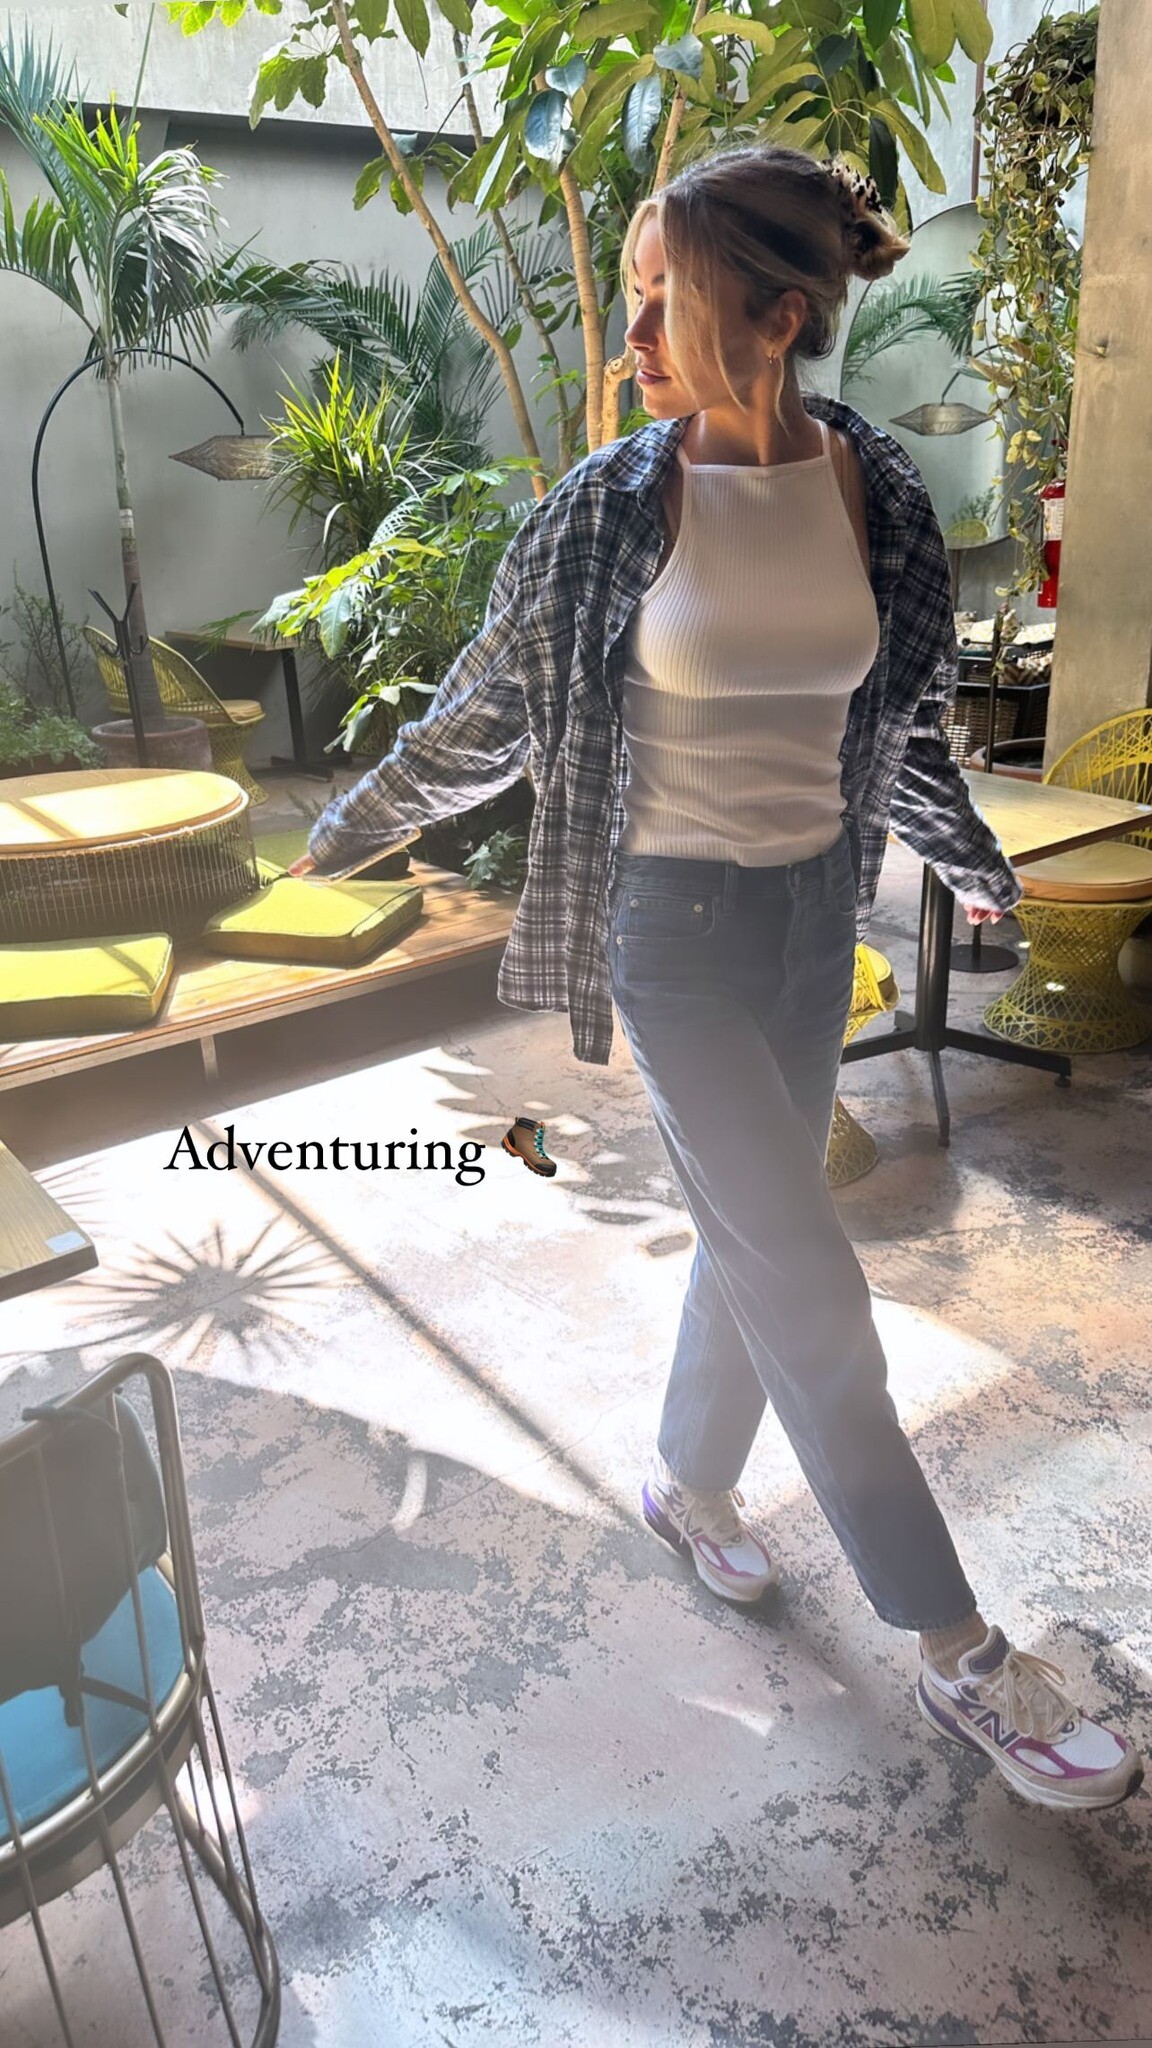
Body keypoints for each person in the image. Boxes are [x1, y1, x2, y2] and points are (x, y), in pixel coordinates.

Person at [292, 145, 1143, 1813]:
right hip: (668, 935)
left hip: (812, 921)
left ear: (779, 314)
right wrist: (346, 833)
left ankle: (688, 1483)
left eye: (659, 299)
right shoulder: (610, 508)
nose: (630, 339)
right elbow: (486, 715)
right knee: (810, 1280)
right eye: (629, 300)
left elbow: (899, 727)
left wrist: (971, 859)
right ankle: (961, 1649)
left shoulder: (876, 493)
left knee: (757, 1238)